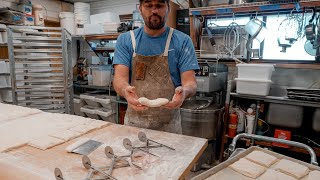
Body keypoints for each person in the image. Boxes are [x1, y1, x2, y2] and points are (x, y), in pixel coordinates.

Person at [113, 0, 199, 134]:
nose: (154, 10)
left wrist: (185, 92)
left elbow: (190, 83)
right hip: (135, 126)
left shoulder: (182, 41)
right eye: (148, 5)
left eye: (159, 5)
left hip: (169, 127)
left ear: (168, 8)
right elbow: (119, 79)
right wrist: (125, 90)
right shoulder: (126, 40)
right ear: (140, 8)